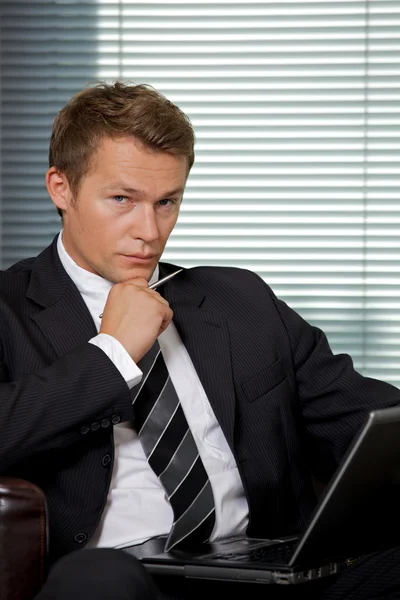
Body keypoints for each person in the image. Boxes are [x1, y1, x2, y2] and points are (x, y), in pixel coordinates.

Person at [0, 81, 399, 600]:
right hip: (123, 577)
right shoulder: (10, 308)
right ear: (61, 188)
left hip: (266, 570)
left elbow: (369, 422)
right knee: (99, 580)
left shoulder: (240, 299)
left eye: (167, 202)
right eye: (122, 199)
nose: (149, 230)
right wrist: (112, 354)